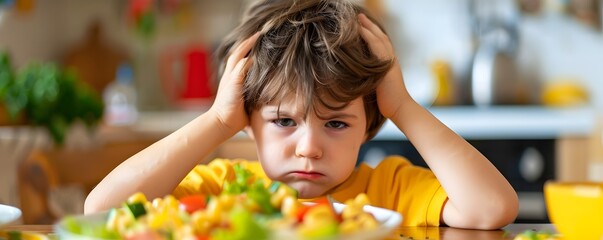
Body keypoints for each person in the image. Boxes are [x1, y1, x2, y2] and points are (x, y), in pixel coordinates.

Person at [85, 0, 518, 229]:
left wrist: (401, 106)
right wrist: (217, 121)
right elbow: (101, 210)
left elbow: (491, 208)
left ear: (369, 123)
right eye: (284, 121)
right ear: (247, 119)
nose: (309, 148)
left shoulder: (389, 189)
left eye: (335, 123)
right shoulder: (221, 191)